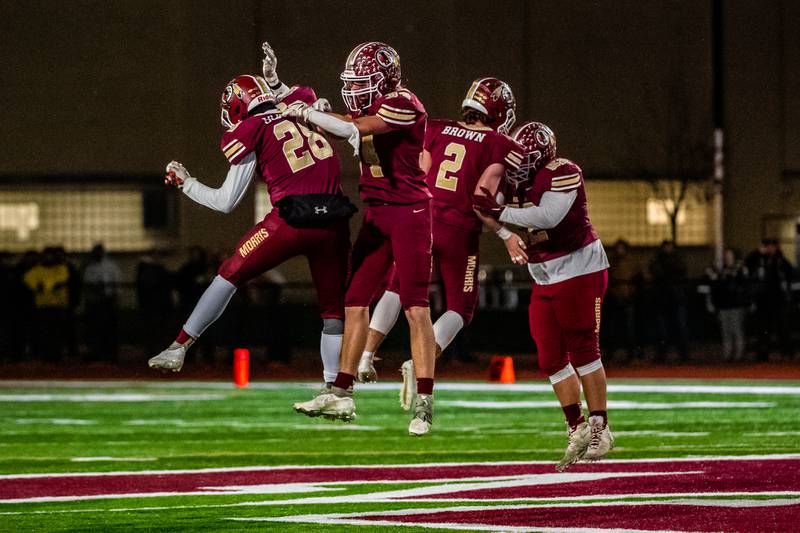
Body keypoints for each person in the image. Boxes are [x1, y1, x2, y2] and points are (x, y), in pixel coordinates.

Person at [148, 57, 353, 390]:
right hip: (335, 218)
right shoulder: (300, 107)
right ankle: (334, 388)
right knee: (332, 310)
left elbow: (226, 201)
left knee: (230, 272)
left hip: (292, 219)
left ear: (238, 105)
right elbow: (301, 99)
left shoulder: (253, 128)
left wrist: (186, 183)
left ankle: (179, 346)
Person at [286, 42, 436, 435]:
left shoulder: (404, 102)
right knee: (354, 299)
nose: (355, 91)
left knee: (416, 308)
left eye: (363, 82)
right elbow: (336, 124)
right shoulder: (368, 107)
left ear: (386, 80)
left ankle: (424, 402)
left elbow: (354, 129)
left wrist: (309, 113)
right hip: (378, 214)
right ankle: (342, 390)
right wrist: (287, 96)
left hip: (410, 214)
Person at [353, 78, 527, 411]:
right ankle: (421, 363)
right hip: (459, 231)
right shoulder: (499, 144)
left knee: (397, 286)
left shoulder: (436, 128)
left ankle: (365, 355)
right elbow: (481, 200)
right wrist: (506, 234)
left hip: (421, 219)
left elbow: (419, 170)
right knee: (462, 306)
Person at [474, 121, 612, 471]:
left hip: (580, 266)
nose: (519, 164)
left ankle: (600, 425)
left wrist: (500, 212)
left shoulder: (563, 172)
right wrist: (504, 231)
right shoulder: (511, 175)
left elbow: (548, 216)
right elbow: (479, 206)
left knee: (583, 347)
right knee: (549, 356)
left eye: (527, 157)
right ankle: (576, 427)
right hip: (544, 272)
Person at [745, 239, 794, 360]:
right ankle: (762, 353)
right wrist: (758, 252)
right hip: (762, 301)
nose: (770, 249)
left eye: (772, 246)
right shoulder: (759, 260)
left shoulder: (781, 261)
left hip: (779, 301)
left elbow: (790, 276)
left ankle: (786, 352)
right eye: (767, 247)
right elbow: (747, 263)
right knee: (762, 329)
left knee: (782, 328)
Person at [23, 247, 73, 361]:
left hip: (58, 306)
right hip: (42, 307)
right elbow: (30, 281)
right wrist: (50, 285)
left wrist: (45, 285)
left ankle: (57, 355)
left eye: (51, 255)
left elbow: (61, 280)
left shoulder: (61, 268)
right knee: (43, 333)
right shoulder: (35, 270)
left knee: (57, 333)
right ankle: (44, 355)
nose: (48, 258)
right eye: (46, 255)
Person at [648, 240, 689, 361]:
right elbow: (655, 272)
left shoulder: (678, 261)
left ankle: (683, 354)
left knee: (680, 329)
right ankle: (662, 354)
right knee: (662, 330)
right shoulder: (658, 261)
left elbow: (681, 274)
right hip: (662, 300)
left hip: (677, 300)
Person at [706, 248, 749, 361]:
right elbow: (717, 288)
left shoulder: (739, 269)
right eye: (726, 255)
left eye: (730, 255)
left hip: (736, 305)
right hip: (724, 305)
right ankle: (727, 354)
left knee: (737, 330)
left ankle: (739, 354)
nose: (727, 257)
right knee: (725, 331)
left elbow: (743, 284)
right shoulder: (721, 271)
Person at [82, 243, 121, 361]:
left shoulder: (111, 266)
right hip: (95, 302)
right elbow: (87, 284)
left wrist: (115, 298)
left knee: (109, 328)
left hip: (108, 301)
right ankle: (97, 352)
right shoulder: (90, 267)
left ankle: (110, 353)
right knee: (95, 328)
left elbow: (117, 283)